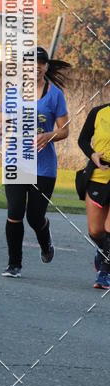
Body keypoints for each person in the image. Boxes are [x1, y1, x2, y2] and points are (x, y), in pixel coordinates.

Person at [0, 47, 70, 278]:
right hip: (16, 162)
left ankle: (45, 241)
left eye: (40, 63)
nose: (35, 67)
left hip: (44, 167)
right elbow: (4, 124)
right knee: (15, 211)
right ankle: (14, 265)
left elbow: (65, 130)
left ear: (46, 67)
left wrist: (48, 135)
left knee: (35, 216)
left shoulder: (55, 95)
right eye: (31, 63)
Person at [77, 101, 110, 289]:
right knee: (96, 230)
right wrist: (92, 154)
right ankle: (104, 250)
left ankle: (105, 272)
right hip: (99, 174)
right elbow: (82, 140)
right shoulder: (98, 112)